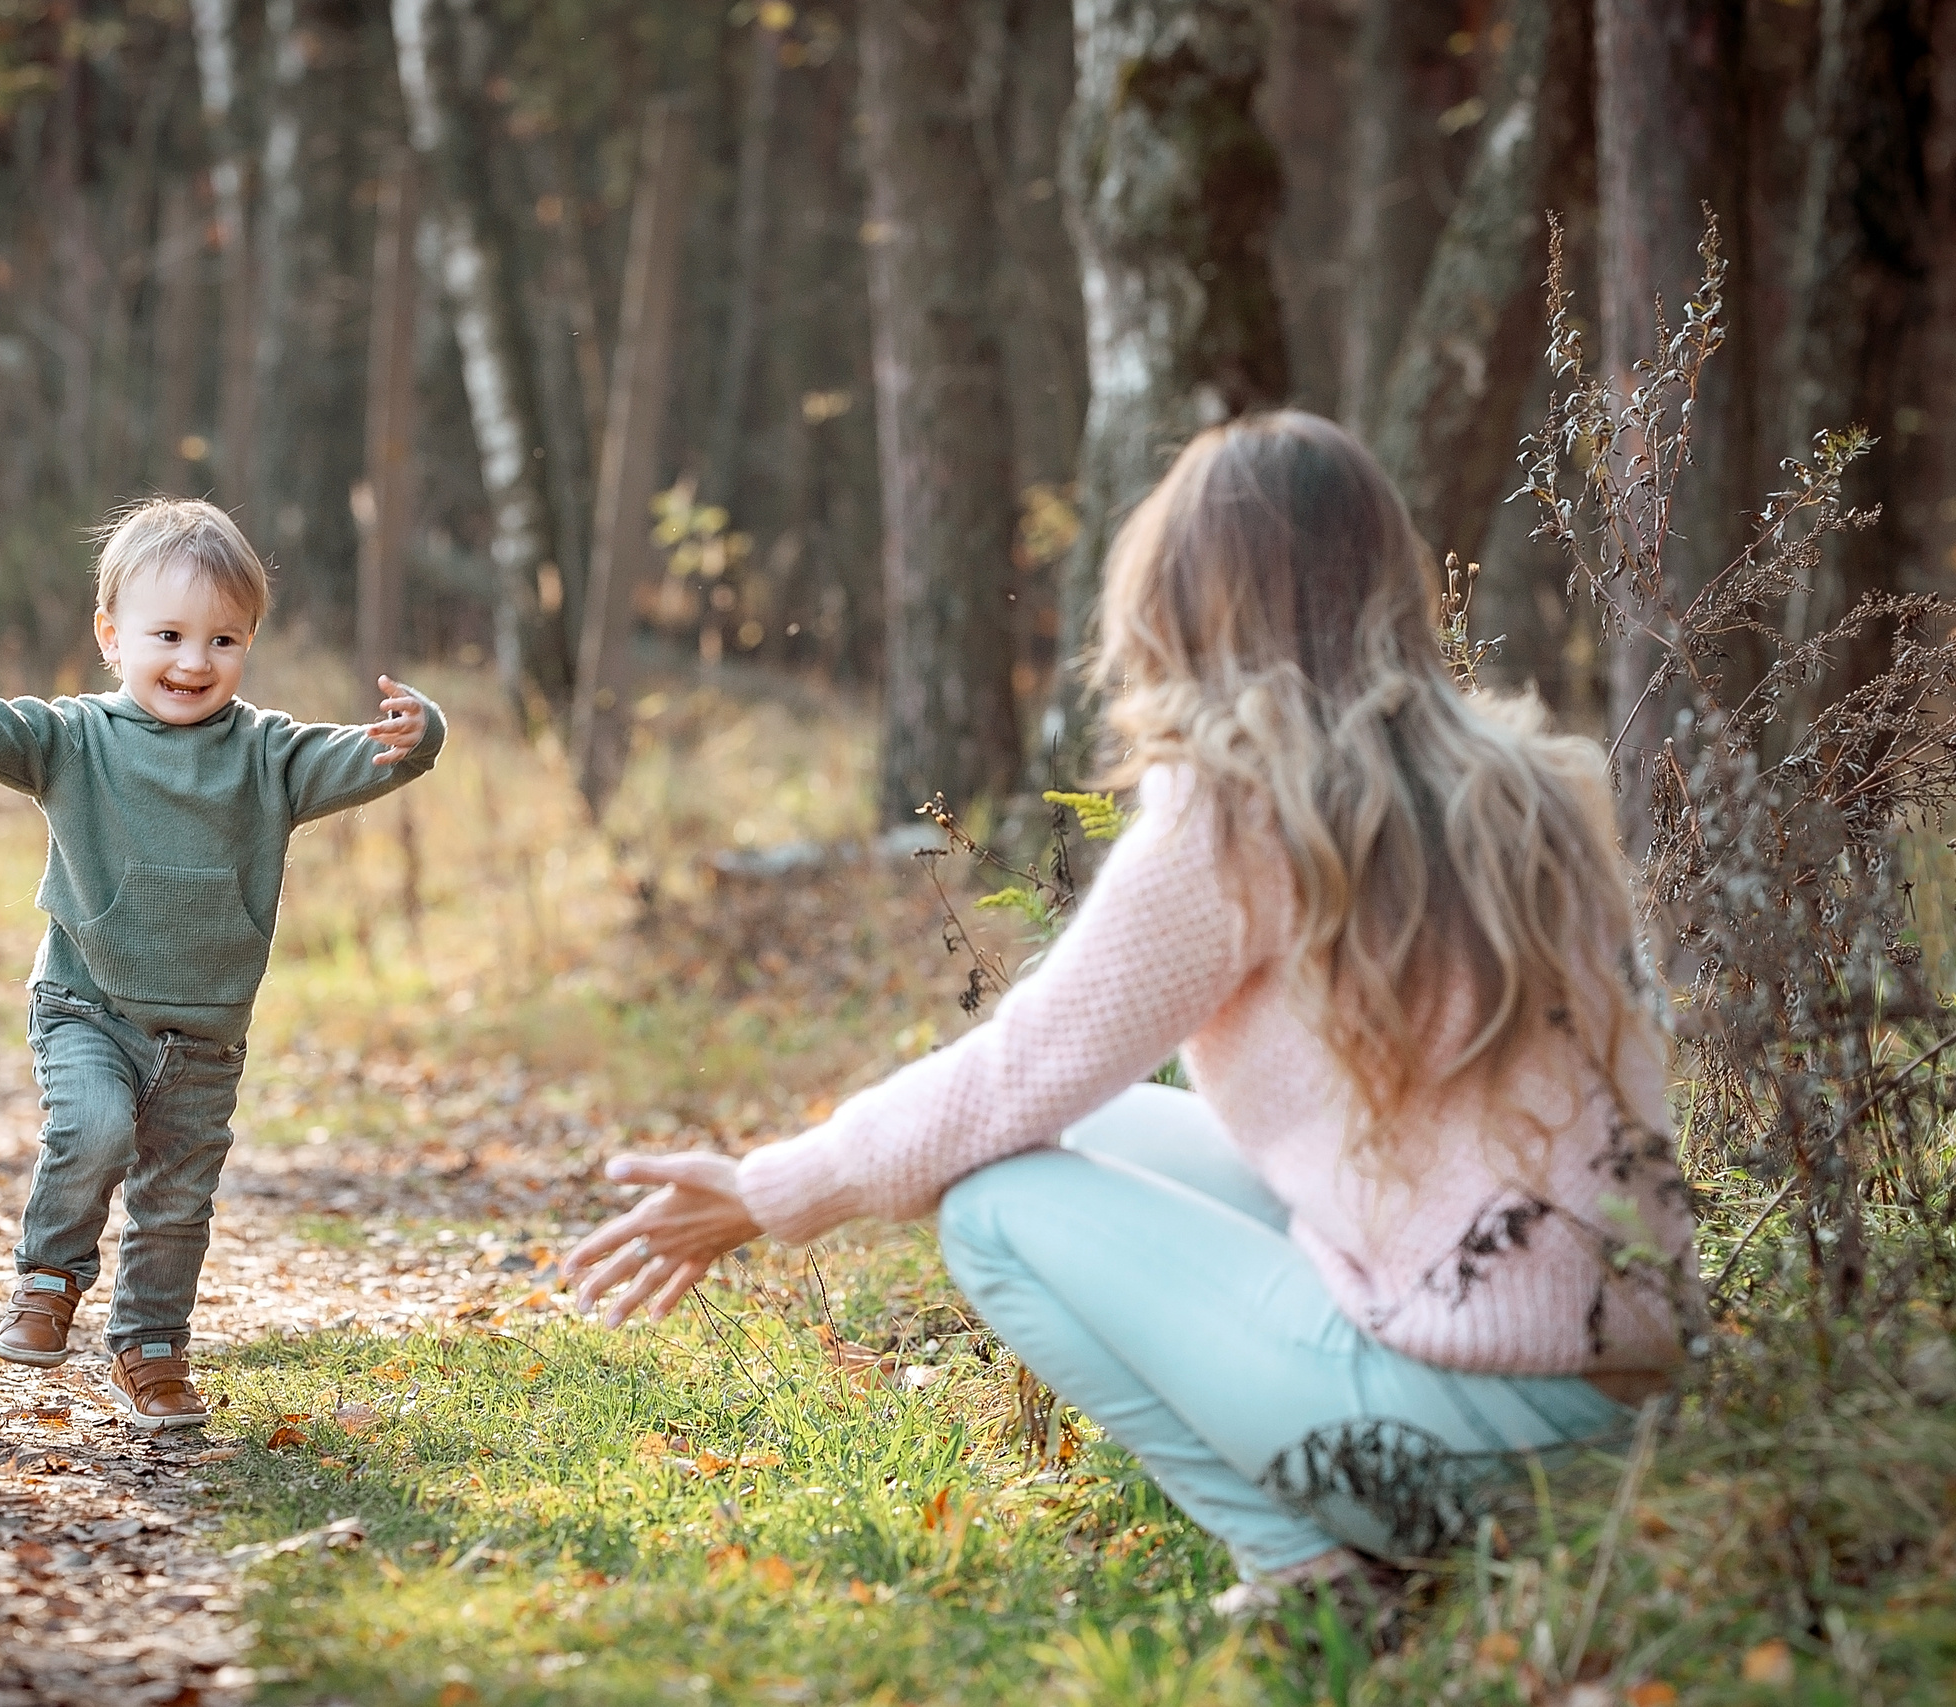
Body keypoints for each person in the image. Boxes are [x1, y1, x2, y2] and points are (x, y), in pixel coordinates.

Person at [562, 412, 1694, 1613]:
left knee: (992, 1206)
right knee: (1091, 1127)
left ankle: (1314, 1578)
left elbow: (1013, 1071)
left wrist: (765, 1192)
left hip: (1465, 1441)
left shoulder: (1245, 809)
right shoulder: (1524, 786)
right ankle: (1372, 1549)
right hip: (1633, 1414)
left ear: (1178, 598)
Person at [0, 498, 446, 1431]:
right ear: (111, 635)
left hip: (205, 1036)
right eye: (167, 634)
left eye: (223, 640)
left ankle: (151, 1348)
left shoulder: (269, 754)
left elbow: (364, 756)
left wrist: (418, 736)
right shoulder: (74, 739)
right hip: (86, 1003)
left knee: (176, 1204)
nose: (193, 661)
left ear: (249, 642)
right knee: (92, 1129)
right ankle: (48, 1280)